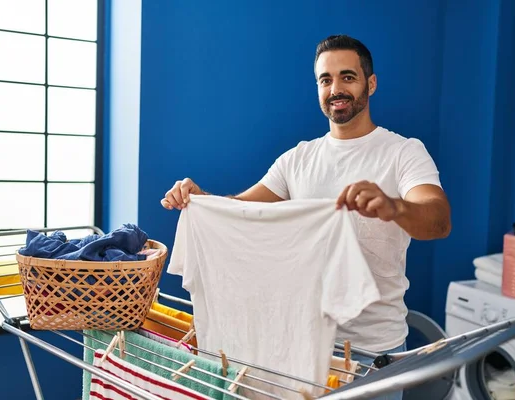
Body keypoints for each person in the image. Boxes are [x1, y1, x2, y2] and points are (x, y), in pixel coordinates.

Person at [161, 34, 451, 400]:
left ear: (371, 84)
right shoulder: (298, 159)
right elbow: (242, 210)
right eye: (325, 80)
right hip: (298, 350)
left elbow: (438, 220)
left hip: (371, 355)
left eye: (347, 77)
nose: (335, 89)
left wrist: (394, 206)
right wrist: (201, 201)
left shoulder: (403, 153)